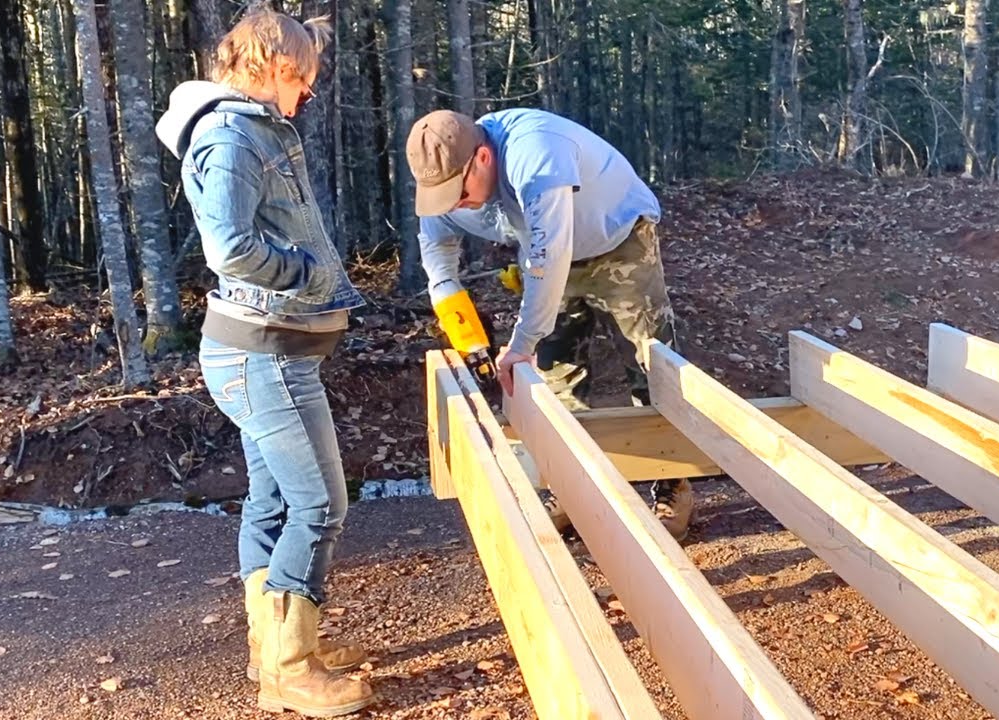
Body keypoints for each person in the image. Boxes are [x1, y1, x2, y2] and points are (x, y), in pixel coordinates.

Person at [156, 10, 376, 716]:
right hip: (264, 354)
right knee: (319, 503)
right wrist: (307, 272)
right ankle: (288, 670)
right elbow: (228, 245)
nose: (306, 96)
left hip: (268, 352)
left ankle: (276, 650)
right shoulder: (230, 135)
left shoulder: (250, 128)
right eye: (304, 82)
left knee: (275, 500)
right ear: (275, 67)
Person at [406, 108, 694, 540]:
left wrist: (521, 340)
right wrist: (467, 335)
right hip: (545, 249)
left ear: (482, 158)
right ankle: (574, 485)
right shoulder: (443, 183)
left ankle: (672, 481)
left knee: (651, 364)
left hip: (617, 239)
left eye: (459, 192)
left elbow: (550, 253)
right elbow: (441, 271)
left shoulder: (535, 151)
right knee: (557, 372)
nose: (454, 205)